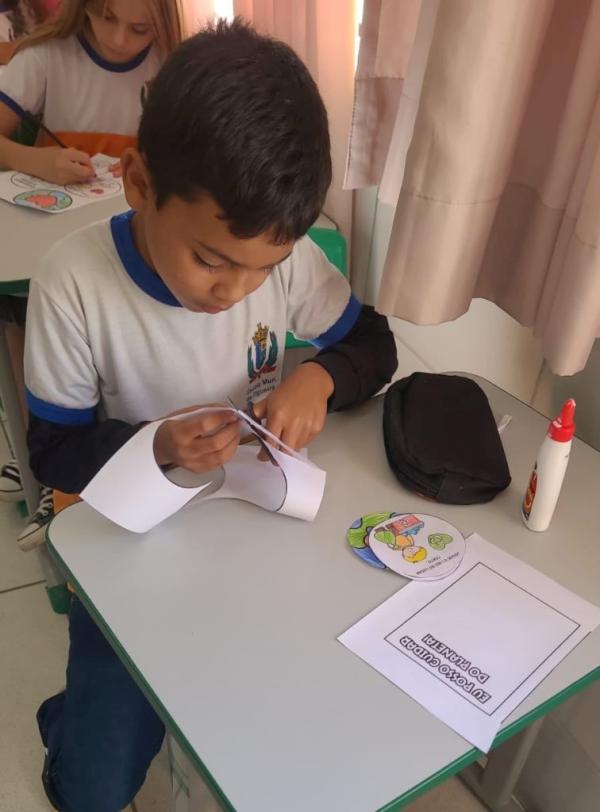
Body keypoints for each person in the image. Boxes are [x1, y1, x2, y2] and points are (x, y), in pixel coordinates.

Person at [25, 19, 398, 811]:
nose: (234, 292)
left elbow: (373, 344)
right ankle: (72, 729)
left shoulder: (281, 261)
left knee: (277, 721)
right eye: (210, 260)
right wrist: (157, 446)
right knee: (93, 789)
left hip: (245, 533)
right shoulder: (74, 282)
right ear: (138, 183)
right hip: (128, 546)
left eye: (262, 270)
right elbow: (53, 451)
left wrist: (320, 377)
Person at [0, 0, 184, 549]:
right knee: (33, 323)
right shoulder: (46, 58)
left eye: (139, 28)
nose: (119, 40)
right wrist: (33, 159)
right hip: (48, 243)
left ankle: (105, 465)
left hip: (134, 243)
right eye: (105, 18)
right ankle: (45, 473)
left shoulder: (173, 68)